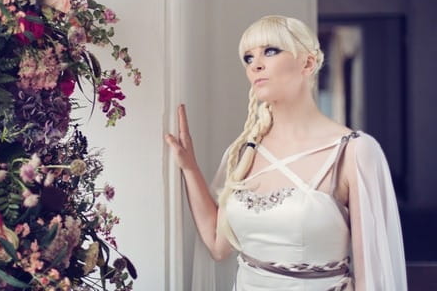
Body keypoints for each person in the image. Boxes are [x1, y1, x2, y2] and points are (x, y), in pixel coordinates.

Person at [164, 15, 407, 290]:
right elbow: (219, 247)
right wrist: (189, 167)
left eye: (270, 51)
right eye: (247, 58)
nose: (256, 64)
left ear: (308, 63)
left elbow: (371, 276)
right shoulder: (244, 151)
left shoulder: (354, 151)